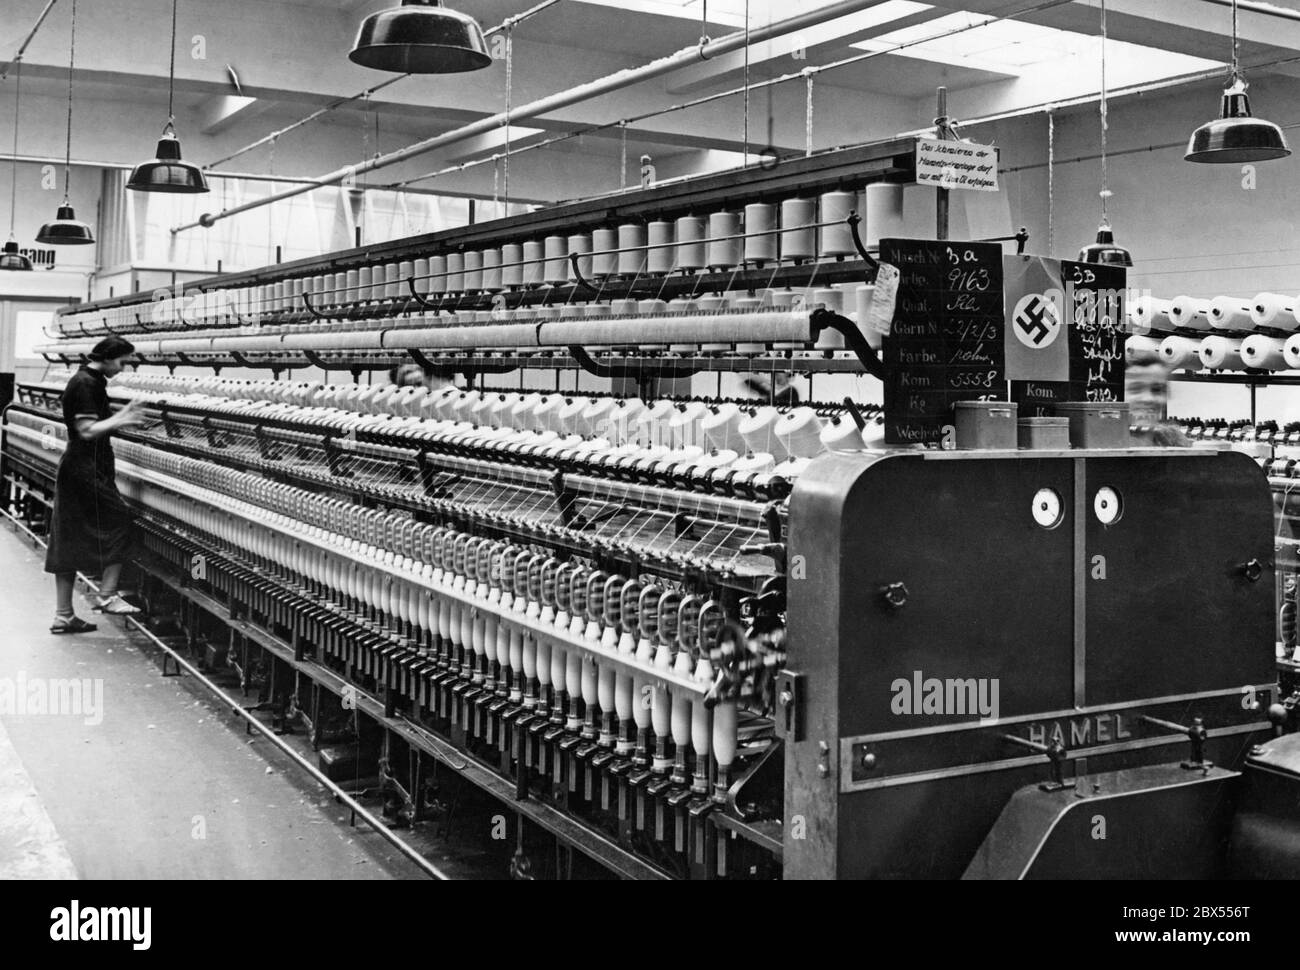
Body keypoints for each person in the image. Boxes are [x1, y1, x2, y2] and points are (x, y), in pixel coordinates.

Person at [44, 336, 150, 633]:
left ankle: (63, 615)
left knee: (69, 537)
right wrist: (122, 418)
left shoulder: (90, 380)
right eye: (122, 361)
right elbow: (86, 430)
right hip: (84, 467)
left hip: (84, 466)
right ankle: (107, 595)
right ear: (106, 356)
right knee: (120, 519)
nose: (124, 367)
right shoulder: (86, 384)